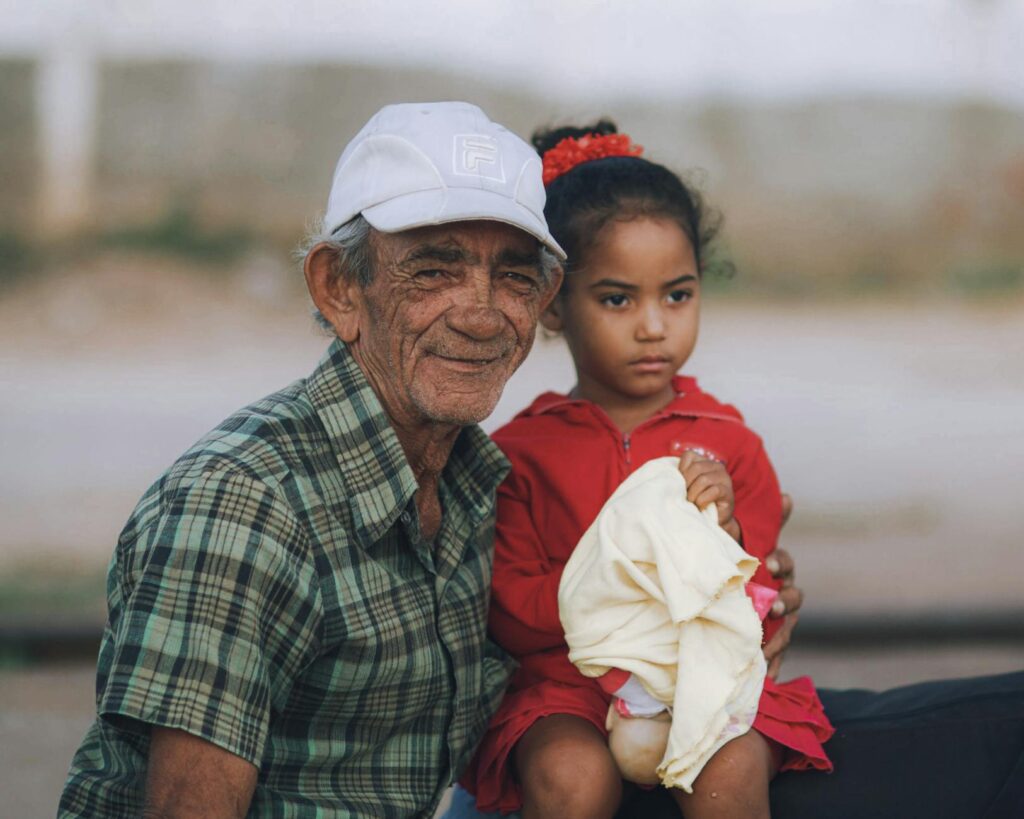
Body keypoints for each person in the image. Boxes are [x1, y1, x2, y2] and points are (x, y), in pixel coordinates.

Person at [58, 100, 573, 818]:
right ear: (339, 289)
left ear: (544, 298)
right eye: (433, 271)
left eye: (514, 278)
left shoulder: (471, 482)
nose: (482, 315)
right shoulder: (245, 505)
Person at [457, 121, 832, 819]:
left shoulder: (729, 444)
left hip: (706, 677)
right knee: (570, 776)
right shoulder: (519, 452)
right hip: (569, 683)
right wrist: (620, 588)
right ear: (552, 304)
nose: (654, 325)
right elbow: (509, 611)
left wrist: (724, 533)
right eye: (617, 299)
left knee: (728, 769)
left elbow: (758, 603)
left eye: (677, 295)